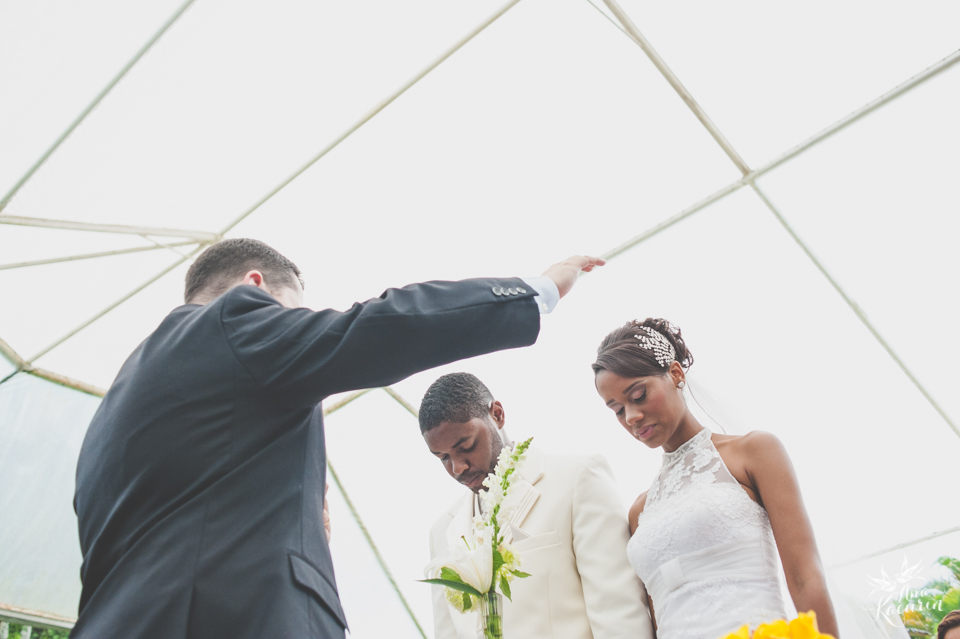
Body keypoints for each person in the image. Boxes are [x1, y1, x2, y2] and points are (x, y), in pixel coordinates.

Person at [72, 238, 603, 639]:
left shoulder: (112, 411)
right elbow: (376, 327)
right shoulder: (232, 321)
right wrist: (538, 292)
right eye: (294, 315)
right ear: (255, 286)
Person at [591, 318, 839, 639]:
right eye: (617, 410)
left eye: (638, 395)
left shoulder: (754, 452)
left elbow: (805, 577)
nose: (632, 416)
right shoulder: (640, 511)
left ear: (676, 375)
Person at [420, 372, 654, 639]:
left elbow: (619, 614)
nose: (458, 467)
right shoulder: (441, 533)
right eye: (443, 458)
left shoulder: (578, 480)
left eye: (467, 445)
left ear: (497, 414)